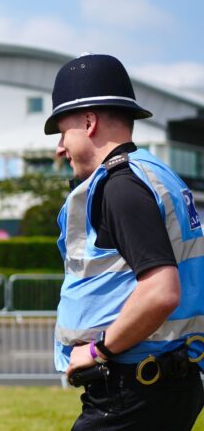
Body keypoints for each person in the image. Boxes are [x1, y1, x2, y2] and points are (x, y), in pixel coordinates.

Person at [47, 53, 204, 430]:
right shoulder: (158, 175)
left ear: (89, 122)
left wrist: (98, 349)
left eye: (62, 132)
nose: (59, 148)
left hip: (133, 388)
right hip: (167, 380)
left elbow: (160, 292)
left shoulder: (120, 187)